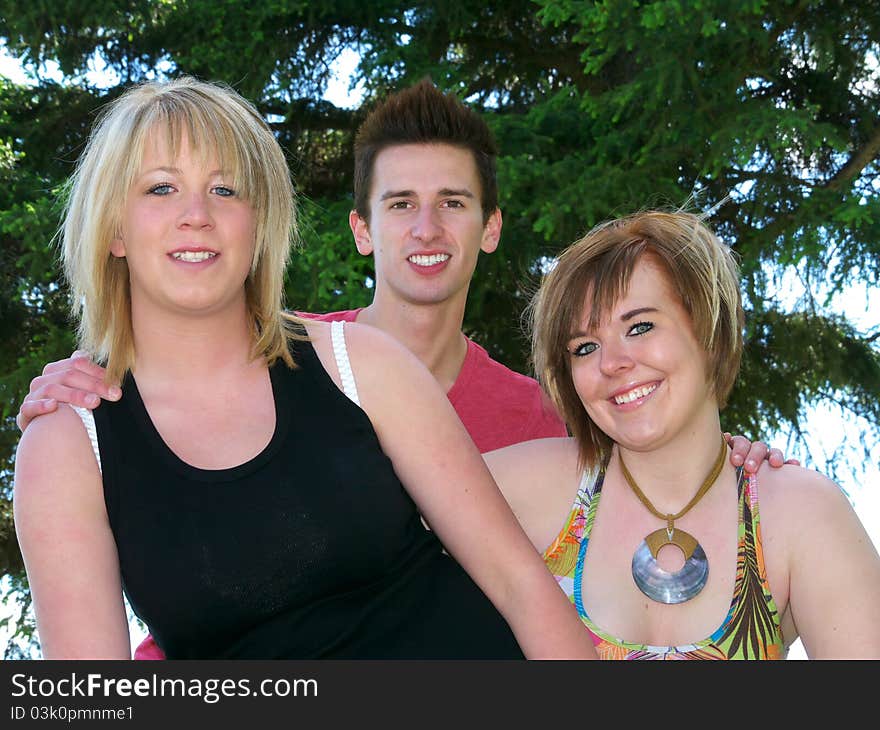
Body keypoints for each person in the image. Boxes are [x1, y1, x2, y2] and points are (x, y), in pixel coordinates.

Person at [16, 78, 788, 659]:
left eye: (227, 189)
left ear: (260, 225)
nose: (198, 214)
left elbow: (533, 579)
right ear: (113, 229)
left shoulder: (361, 368)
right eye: (160, 189)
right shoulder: (69, 446)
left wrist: (734, 466)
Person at [483, 209, 880, 659]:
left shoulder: (796, 512)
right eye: (585, 347)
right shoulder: (536, 483)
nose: (611, 363)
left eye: (640, 326)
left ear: (708, 329)